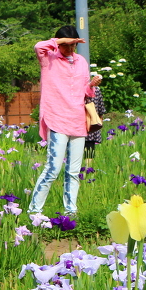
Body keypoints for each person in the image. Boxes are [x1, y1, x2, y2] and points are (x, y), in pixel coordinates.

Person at [27, 25, 102, 216]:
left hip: (77, 120)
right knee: (53, 169)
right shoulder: (49, 58)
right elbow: (38, 46)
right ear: (59, 43)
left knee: (74, 171)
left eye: (73, 45)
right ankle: (34, 211)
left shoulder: (81, 62)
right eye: (66, 45)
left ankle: (71, 211)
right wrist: (59, 42)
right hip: (56, 118)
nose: (70, 49)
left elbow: (84, 90)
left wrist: (91, 85)